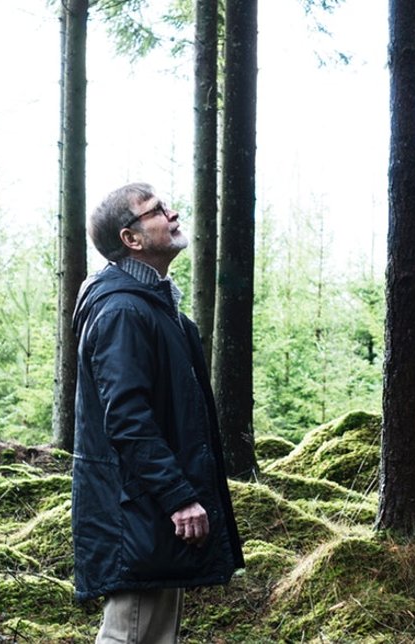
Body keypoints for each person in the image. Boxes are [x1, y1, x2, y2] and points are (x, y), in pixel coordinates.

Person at [70, 182, 244, 644]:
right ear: (131, 238)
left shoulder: (157, 308)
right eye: (157, 210)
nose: (173, 214)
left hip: (150, 508)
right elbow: (127, 419)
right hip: (138, 511)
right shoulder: (123, 311)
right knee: (130, 635)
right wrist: (178, 497)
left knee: (153, 635)